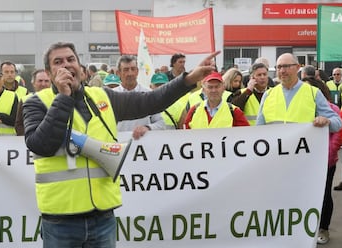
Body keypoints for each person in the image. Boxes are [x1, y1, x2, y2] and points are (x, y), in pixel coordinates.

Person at [23, 41, 220, 248]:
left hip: (103, 217)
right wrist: (63, 97)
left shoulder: (103, 96)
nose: (67, 65)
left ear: (80, 66)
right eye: (58, 62)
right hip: (60, 219)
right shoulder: (36, 103)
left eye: (71, 59)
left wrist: (188, 79)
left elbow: (151, 101)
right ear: (48, 71)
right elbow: (41, 145)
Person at [301, 65, 342, 244]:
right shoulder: (301, 109)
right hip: (304, 162)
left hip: (326, 162)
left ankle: (323, 228)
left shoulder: (331, 108)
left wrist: (327, 155)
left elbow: (337, 134)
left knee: (324, 196)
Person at [256, 52, 342, 131]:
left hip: (302, 147)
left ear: (297, 67)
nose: (282, 71)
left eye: (286, 66)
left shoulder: (313, 93)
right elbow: (259, 129)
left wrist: (327, 121)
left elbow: (337, 123)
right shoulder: (268, 95)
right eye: (279, 67)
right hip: (276, 147)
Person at [113, 55, 165, 139]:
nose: (130, 73)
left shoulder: (149, 94)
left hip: (142, 147)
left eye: (133, 69)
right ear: (118, 73)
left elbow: (161, 123)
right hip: (118, 146)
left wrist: (147, 128)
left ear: (137, 71)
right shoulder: (111, 96)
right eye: (126, 70)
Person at [184, 71, 249, 128]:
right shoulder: (194, 111)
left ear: (223, 88)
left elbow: (246, 136)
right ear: (204, 89)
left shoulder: (234, 112)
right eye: (210, 87)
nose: (214, 90)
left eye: (217, 87)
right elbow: (186, 135)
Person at [15, 69, 51, 135]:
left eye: (46, 81)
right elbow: (19, 124)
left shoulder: (57, 99)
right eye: (40, 81)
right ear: (33, 83)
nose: (43, 84)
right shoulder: (24, 100)